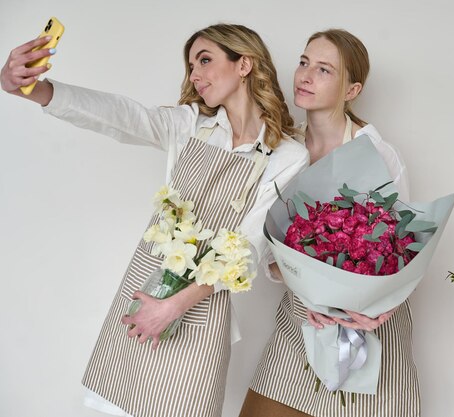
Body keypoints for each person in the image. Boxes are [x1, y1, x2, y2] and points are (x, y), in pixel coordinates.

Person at [1, 23, 308, 417]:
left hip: (201, 308)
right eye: (191, 65)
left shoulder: (286, 155)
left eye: (205, 60)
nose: (194, 74)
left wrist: (175, 306)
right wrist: (35, 89)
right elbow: (121, 116)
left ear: (244, 64)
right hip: (144, 292)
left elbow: (248, 249)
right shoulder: (191, 125)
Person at [239, 29, 419, 417]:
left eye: (324, 70)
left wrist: (372, 306)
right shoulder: (282, 151)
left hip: (368, 328)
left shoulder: (376, 153)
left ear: (352, 90)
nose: (305, 75)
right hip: (301, 318)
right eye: (304, 62)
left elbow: (401, 250)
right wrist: (306, 289)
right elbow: (266, 249)